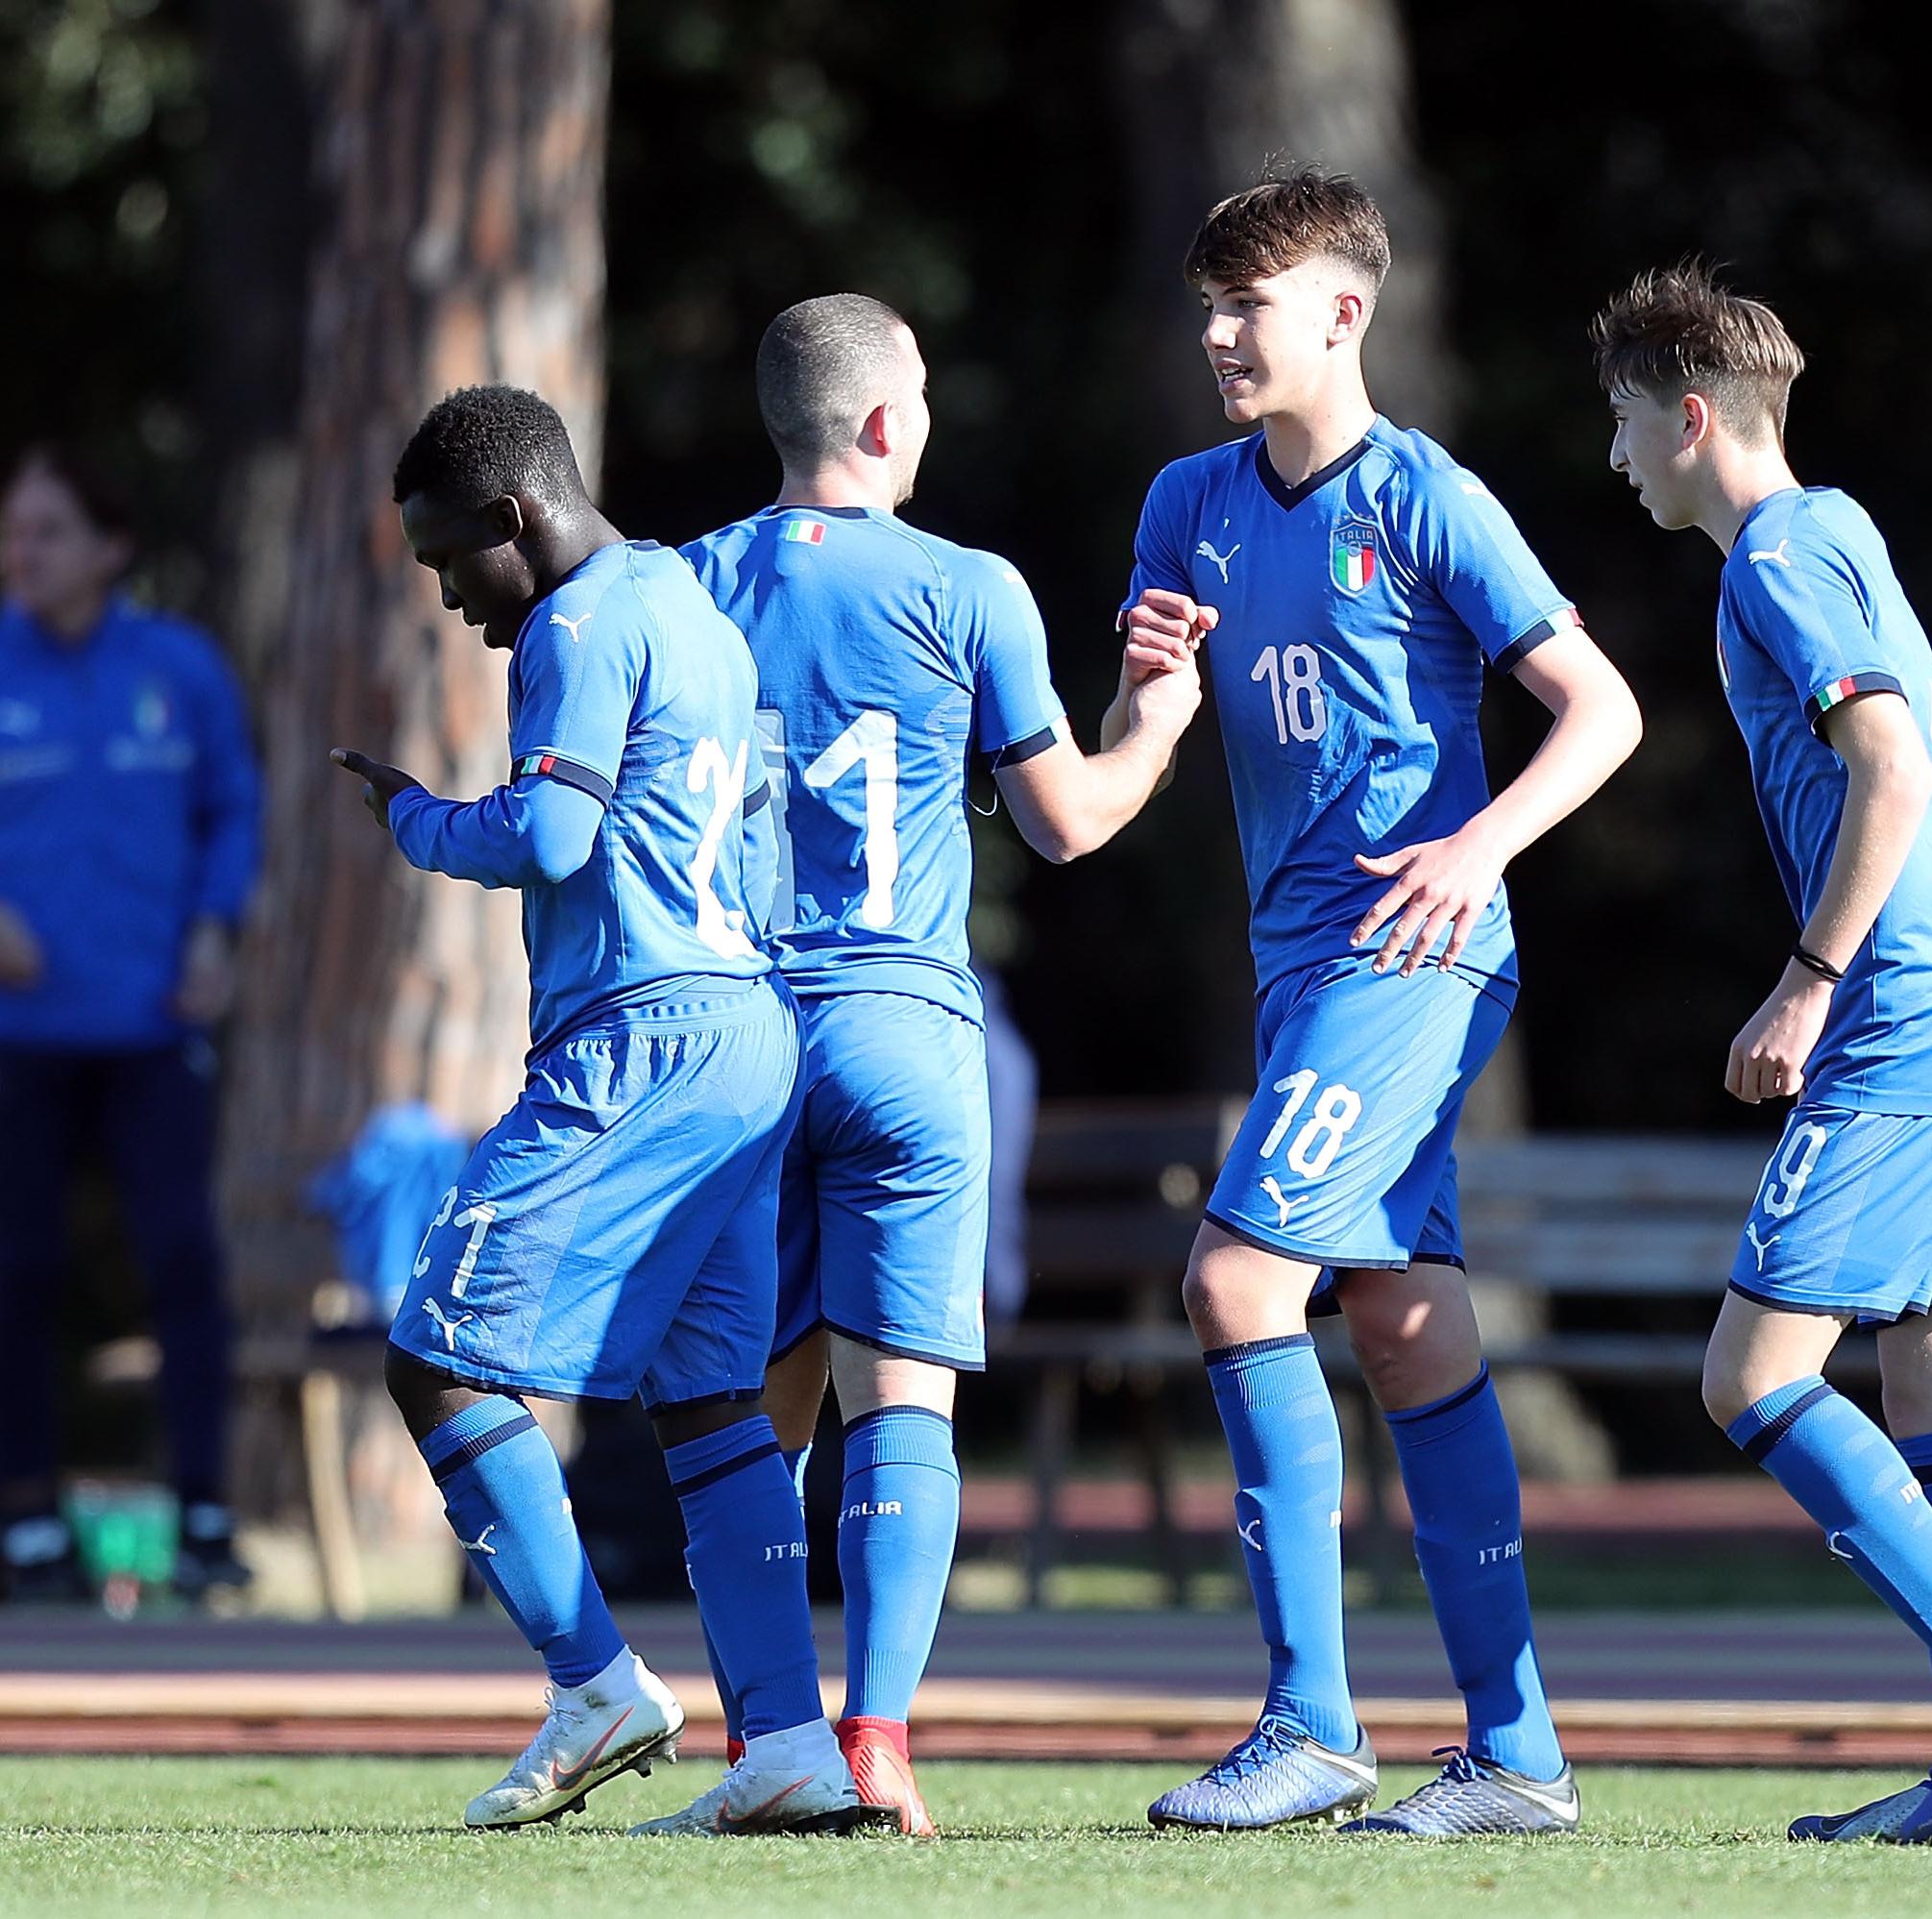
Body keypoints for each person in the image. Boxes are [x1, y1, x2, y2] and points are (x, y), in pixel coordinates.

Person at [1116, 167, 1643, 1835]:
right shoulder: (1184, 503)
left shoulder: (1429, 498)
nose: (1216, 334)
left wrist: (1477, 847)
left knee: (1233, 1278)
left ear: (1343, 312)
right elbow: (1153, 746)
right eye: (1208, 305)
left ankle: (1312, 1721)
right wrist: (1143, 695)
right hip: (1304, 974)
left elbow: (1604, 710)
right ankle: (1520, 1756)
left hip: (1408, 960)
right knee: (1413, 1337)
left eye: (1246, 305)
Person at [1592, 263, 1932, 1847]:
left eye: (1620, 421)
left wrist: (1809, 980)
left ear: (1689, 416)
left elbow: (1885, 767)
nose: (1612, 456)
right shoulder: (1844, 529)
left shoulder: (1777, 558)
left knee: (1749, 1374)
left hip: (1905, 1016)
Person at [331, 384, 886, 1837]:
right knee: (710, 1408)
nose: (452, 598)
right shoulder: (691, 605)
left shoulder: (575, 625)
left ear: (515, 520)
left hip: (641, 1038)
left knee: (436, 1359)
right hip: (746, 1028)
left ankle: (595, 1683)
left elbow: (551, 831)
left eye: (451, 560)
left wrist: (408, 816)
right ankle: (786, 1746)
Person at [683, 292, 1201, 1835]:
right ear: (890, 423)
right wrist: (1155, 716)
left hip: (742, 1036)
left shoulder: (685, 584)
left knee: (746, 1415)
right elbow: (1070, 820)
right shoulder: (970, 585)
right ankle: (881, 1741)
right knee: (903, 1396)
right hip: (908, 1031)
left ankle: (762, 1742)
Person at [0, 445, 260, 1603]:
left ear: (109, 548)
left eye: (47, 531)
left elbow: (232, 808)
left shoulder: (179, 666)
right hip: (24, 1031)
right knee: (21, 1270)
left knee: (182, 1262)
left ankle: (203, 1512)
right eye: (13, 531)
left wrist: (214, 932)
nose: (22, 553)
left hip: (156, 1025)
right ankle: (28, 1522)